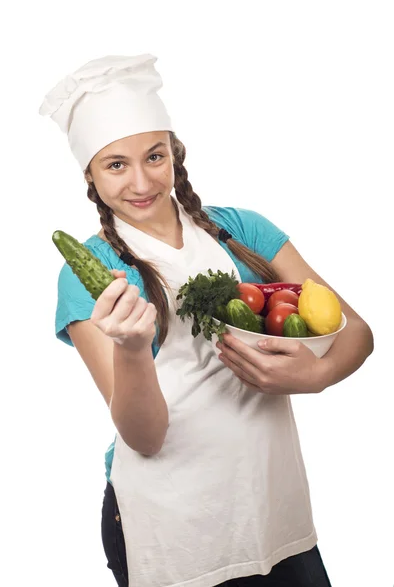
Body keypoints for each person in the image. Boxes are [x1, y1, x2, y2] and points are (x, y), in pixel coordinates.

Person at [39, 53, 373, 587]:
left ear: (175, 152)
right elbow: (145, 438)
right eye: (116, 164)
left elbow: (356, 332)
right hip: (173, 518)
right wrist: (131, 348)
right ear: (90, 175)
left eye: (154, 156)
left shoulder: (243, 230)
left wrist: (314, 376)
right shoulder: (93, 273)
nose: (142, 180)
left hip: (270, 498)